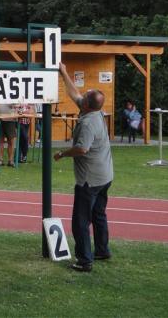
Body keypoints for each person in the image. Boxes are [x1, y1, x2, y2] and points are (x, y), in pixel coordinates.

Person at [53, 63, 114, 272]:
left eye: (86, 95)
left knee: (80, 221)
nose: (83, 95)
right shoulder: (96, 112)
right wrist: (63, 72)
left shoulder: (88, 123)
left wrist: (62, 154)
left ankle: (84, 260)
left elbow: (82, 149)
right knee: (99, 215)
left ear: (86, 105)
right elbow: (74, 93)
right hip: (105, 176)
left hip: (90, 180)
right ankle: (103, 250)